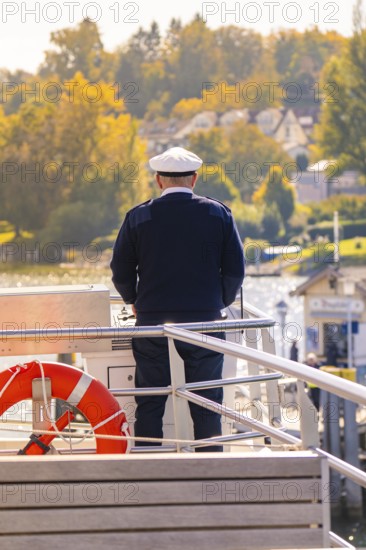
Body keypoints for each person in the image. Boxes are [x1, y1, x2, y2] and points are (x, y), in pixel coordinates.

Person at [111, 146, 245, 451]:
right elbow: (236, 270)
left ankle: (149, 463)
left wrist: (133, 299)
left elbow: (120, 270)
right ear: (194, 179)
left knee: (150, 400)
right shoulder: (218, 213)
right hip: (205, 323)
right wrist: (217, 302)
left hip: (152, 323)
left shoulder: (139, 217)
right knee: (206, 399)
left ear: (159, 180)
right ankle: (209, 464)